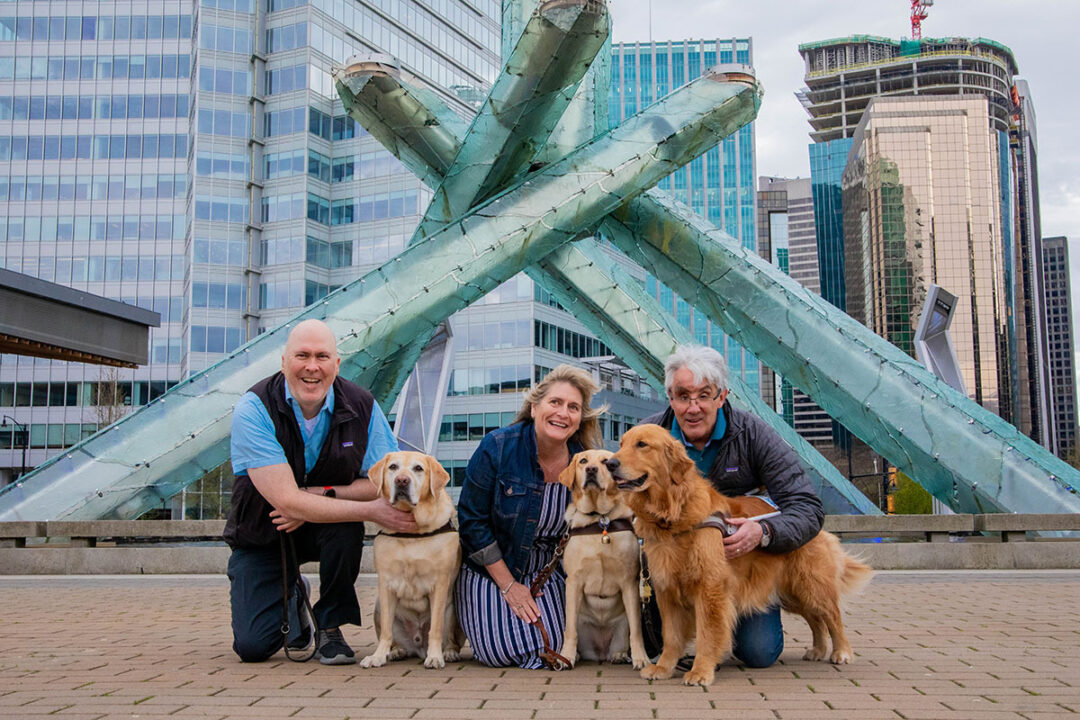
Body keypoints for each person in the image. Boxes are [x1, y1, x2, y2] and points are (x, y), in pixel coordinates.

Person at [223, 318, 417, 665]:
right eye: (302, 355)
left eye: (322, 357)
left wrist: (320, 496)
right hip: (265, 532)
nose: (312, 367)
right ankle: (296, 598)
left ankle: (330, 626)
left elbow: (382, 482)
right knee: (253, 647)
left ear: (336, 364)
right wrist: (366, 508)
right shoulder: (253, 409)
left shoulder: (363, 405)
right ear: (284, 362)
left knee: (345, 527)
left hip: (326, 530)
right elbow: (286, 501)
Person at [640, 344, 825, 668]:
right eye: (683, 396)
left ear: (722, 397)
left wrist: (764, 531)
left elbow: (807, 506)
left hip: (741, 566)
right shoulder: (647, 437)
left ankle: (732, 623)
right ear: (670, 397)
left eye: (704, 396)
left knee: (758, 652)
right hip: (669, 564)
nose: (693, 407)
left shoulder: (753, 433)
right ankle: (681, 640)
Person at [455, 365, 604, 668]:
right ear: (534, 407)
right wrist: (510, 587)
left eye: (573, 407)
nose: (563, 413)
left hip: (548, 571)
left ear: (580, 419)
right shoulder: (497, 447)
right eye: (555, 403)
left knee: (558, 644)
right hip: (493, 569)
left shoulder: (584, 460)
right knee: (501, 651)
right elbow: (471, 523)